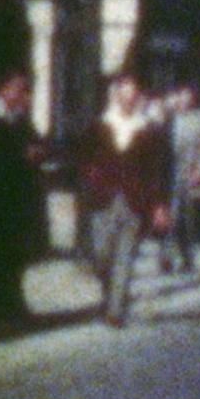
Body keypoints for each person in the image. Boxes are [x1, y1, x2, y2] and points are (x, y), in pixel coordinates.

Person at [78, 72, 171, 327]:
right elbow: (83, 158)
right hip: (103, 199)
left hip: (134, 201)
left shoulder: (148, 131)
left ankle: (115, 311)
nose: (130, 100)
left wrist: (159, 206)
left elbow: (156, 171)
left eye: (134, 95)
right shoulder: (99, 126)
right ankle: (111, 298)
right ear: (116, 95)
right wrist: (91, 177)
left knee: (125, 257)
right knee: (101, 256)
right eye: (125, 94)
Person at [0, 70, 43, 324]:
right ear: (3, 90)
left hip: (14, 202)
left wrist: (36, 152)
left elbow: (37, 145)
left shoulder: (21, 120)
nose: (25, 96)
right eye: (20, 90)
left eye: (27, 91)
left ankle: (11, 307)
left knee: (13, 255)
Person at [166, 84, 200, 276]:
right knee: (175, 219)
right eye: (180, 95)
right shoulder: (171, 120)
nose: (184, 99)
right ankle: (182, 258)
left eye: (187, 95)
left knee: (197, 220)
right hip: (174, 177)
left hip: (195, 176)